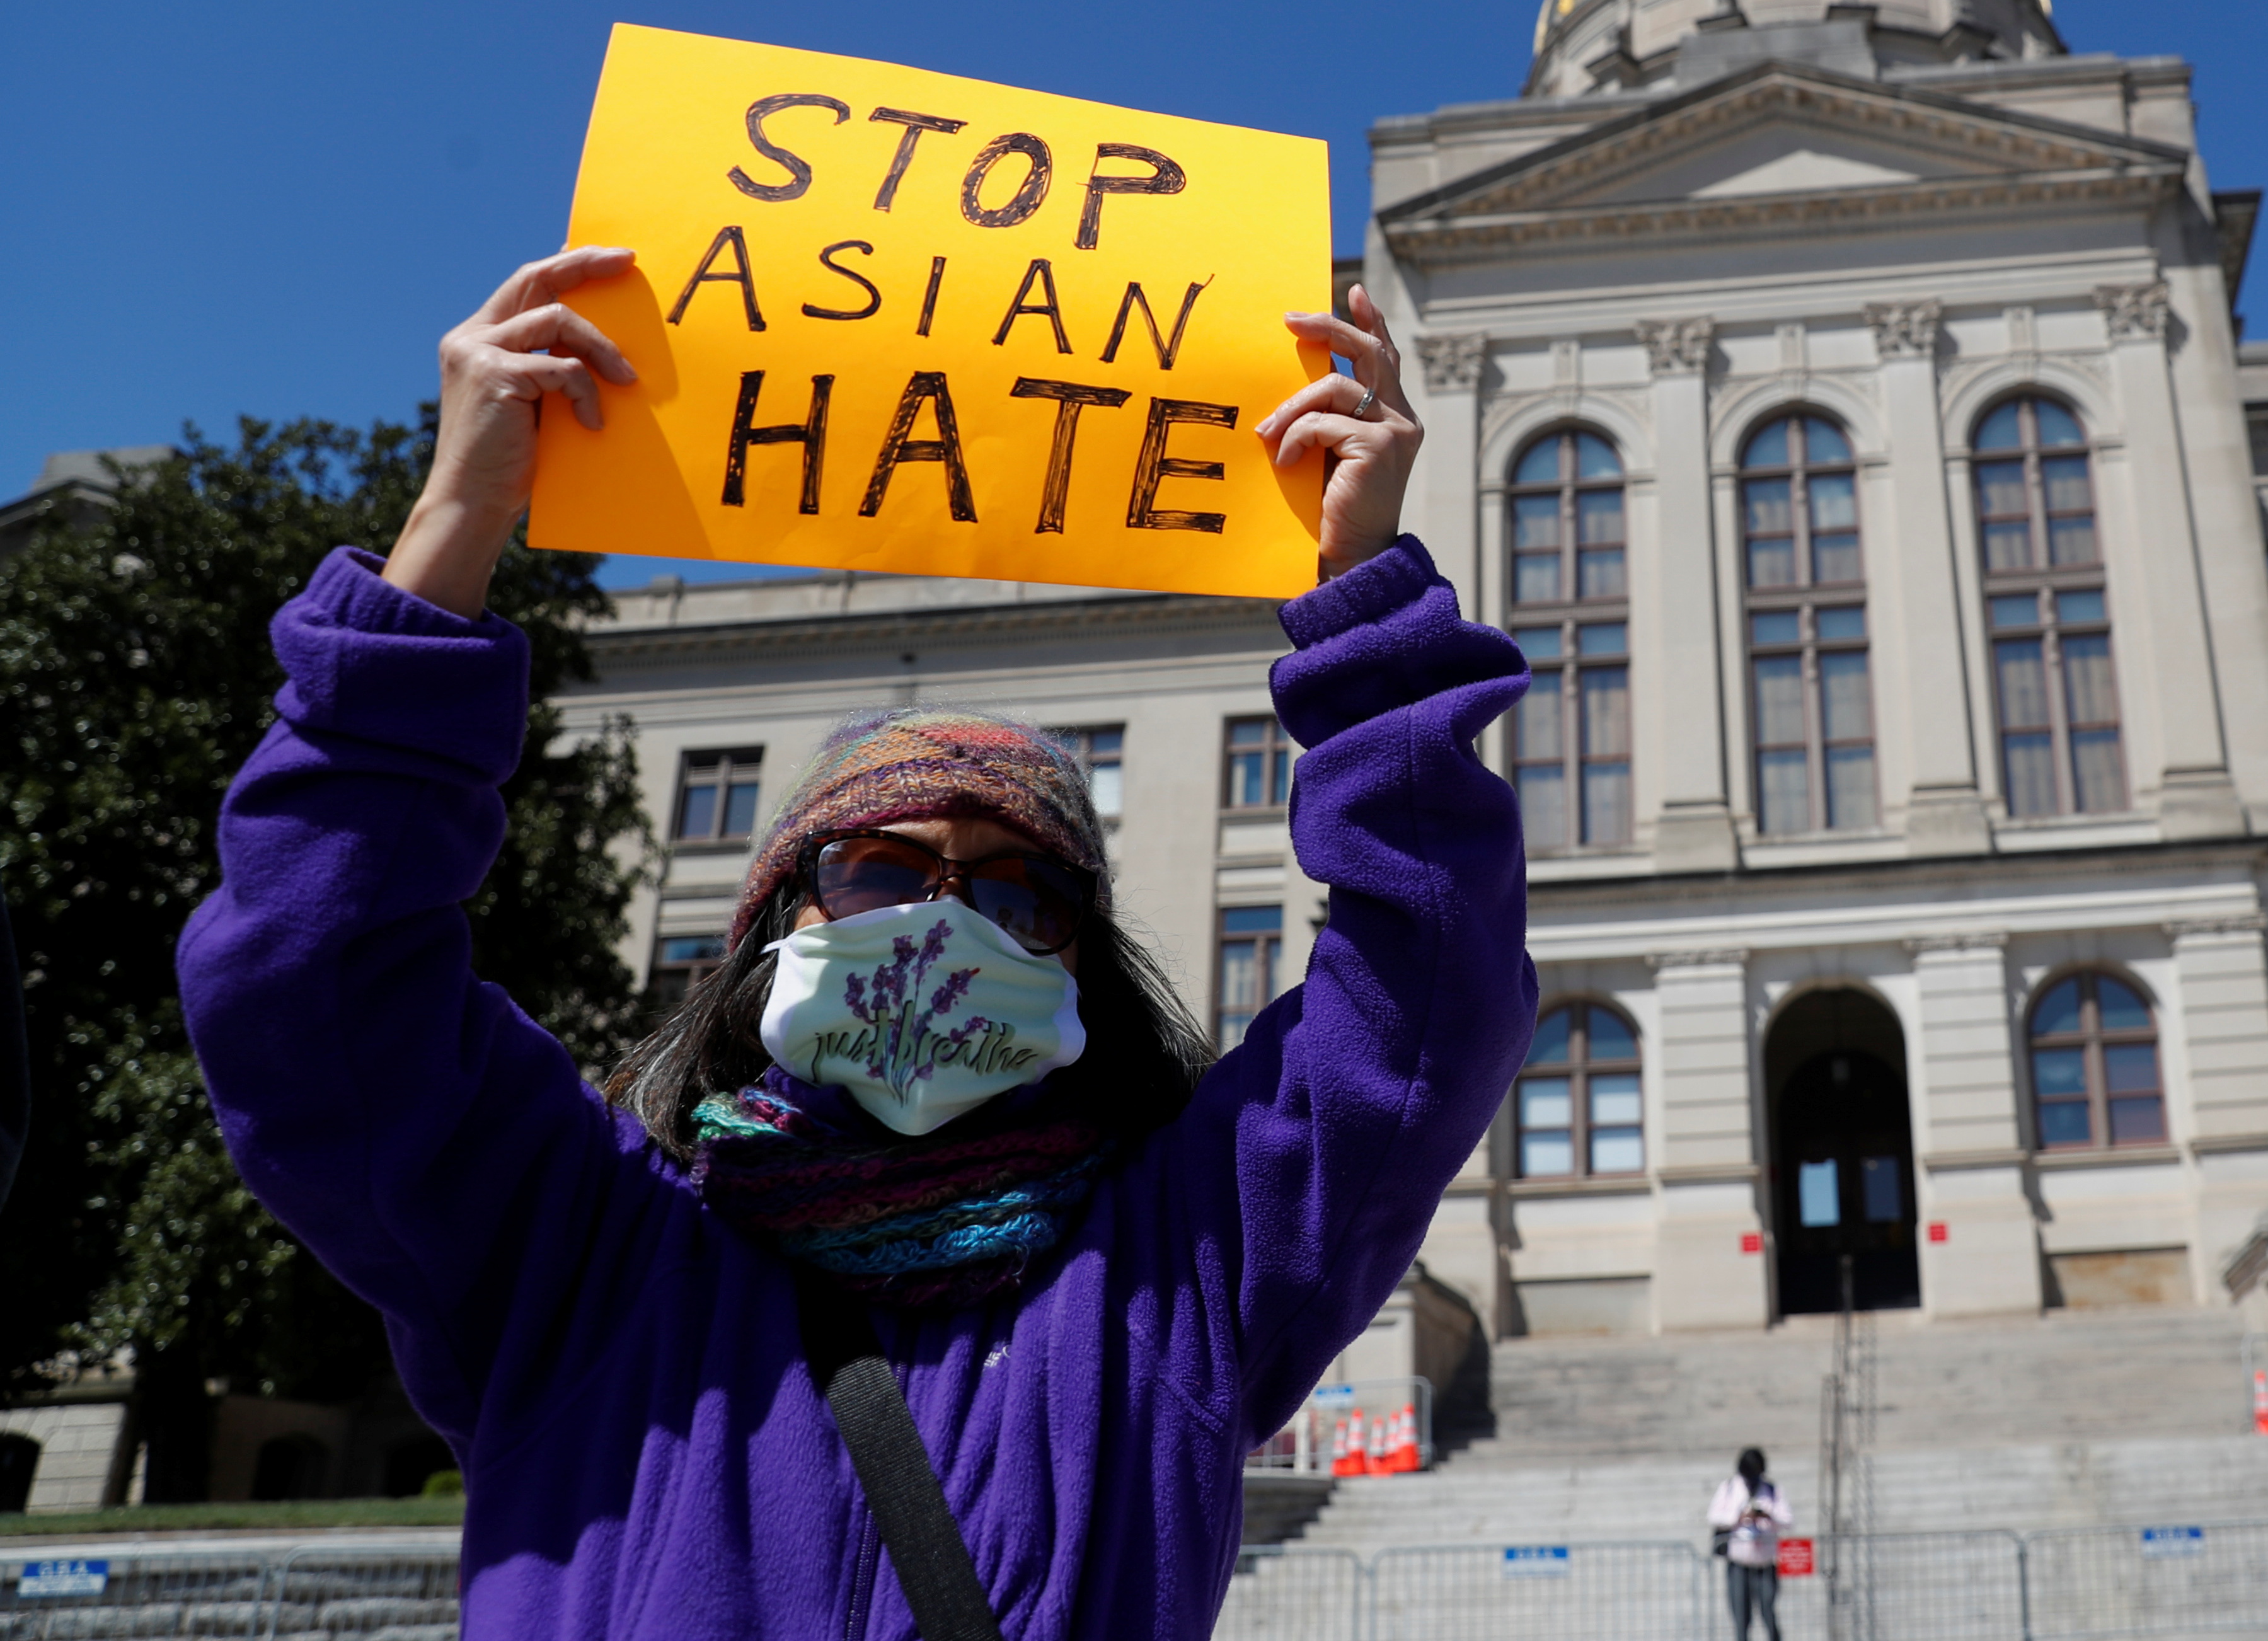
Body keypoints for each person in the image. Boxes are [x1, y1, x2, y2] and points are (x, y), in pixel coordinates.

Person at [176, 246, 1533, 1638]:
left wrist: (1367, 591)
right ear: (777, 918)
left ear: (1080, 958)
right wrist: (455, 519)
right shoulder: (575, 1250)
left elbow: (1426, 993)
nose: (944, 921)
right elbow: (309, 970)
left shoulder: (1175, 1272)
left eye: (1017, 892)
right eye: (880, 869)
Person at [1707, 1445, 1794, 1641]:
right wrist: (1738, 1516)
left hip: (1765, 1565)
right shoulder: (1729, 1487)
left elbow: (1788, 1520)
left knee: (1768, 1613)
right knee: (1741, 1618)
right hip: (1739, 1565)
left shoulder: (1772, 1490)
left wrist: (1766, 1515)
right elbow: (1713, 1516)